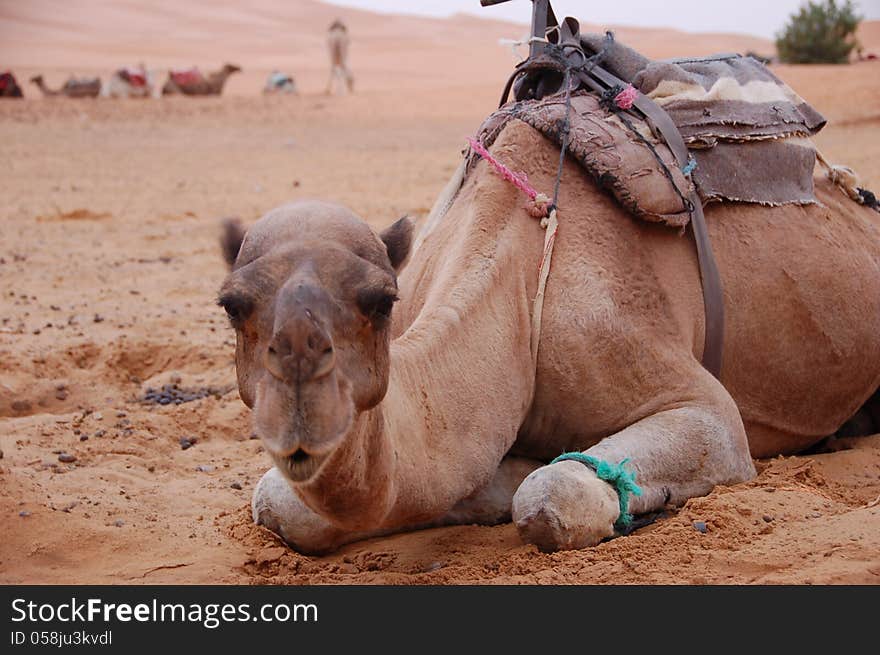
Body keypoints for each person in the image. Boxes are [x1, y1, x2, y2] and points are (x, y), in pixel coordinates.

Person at [326, 19, 354, 95]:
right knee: (343, 65)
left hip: (333, 41)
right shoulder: (344, 35)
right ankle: (345, 87)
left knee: (336, 66)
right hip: (343, 58)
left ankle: (339, 88)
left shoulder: (331, 35)